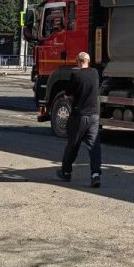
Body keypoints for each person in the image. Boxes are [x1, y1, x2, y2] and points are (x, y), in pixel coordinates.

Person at [57, 52, 102, 187]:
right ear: (89, 61)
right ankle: (95, 174)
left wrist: (70, 97)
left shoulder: (75, 75)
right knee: (94, 146)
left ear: (77, 60)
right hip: (94, 116)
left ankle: (66, 172)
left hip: (79, 116)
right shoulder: (95, 73)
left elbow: (67, 95)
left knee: (73, 144)